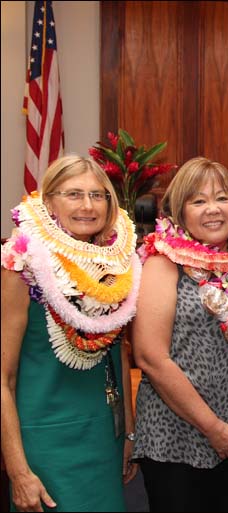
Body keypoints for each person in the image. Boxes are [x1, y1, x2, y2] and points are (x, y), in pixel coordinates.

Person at [131, 156, 228, 512]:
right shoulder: (163, 261)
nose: (213, 209)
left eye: (222, 197)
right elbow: (151, 357)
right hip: (176, 437)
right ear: (180, 211)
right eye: (198, 201)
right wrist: (212, 428)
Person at [1, 155, 140, 511]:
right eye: (74, 194)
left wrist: (128, 434)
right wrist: (18, 471)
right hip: (43, 440)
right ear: (48, 201)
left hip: (102, 436)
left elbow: (119, 354)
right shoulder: (22, 265)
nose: (88, 206)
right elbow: (3, 377)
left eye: (98, 195)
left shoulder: (114, 264)